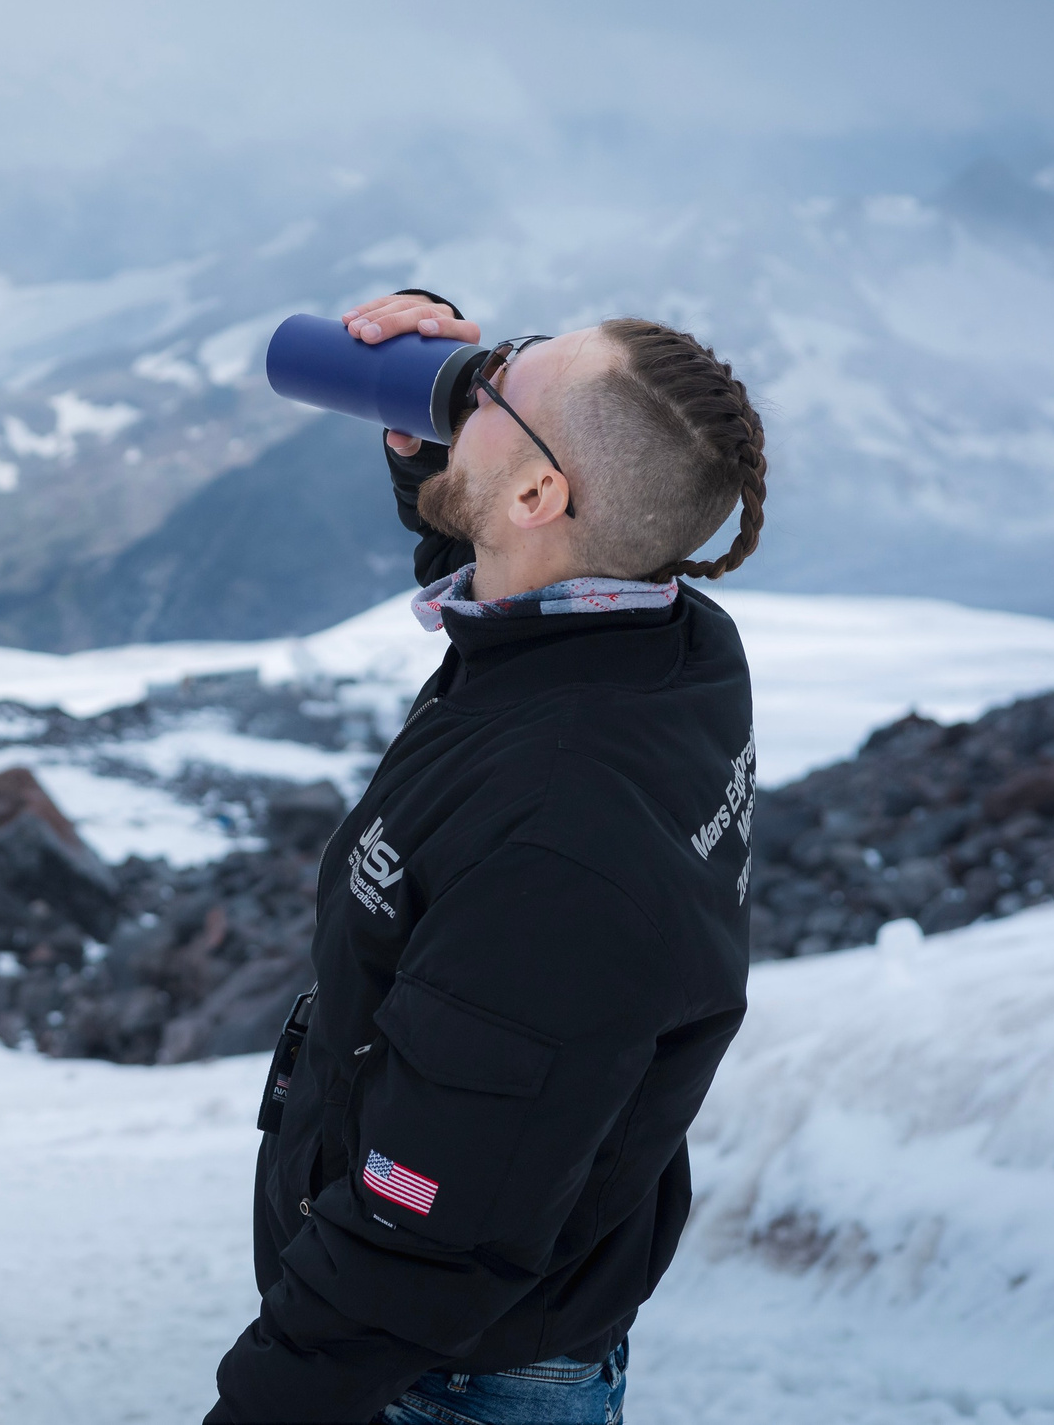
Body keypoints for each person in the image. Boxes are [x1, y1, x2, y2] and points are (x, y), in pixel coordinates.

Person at [208, 292, 767, 1424]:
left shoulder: (562, 850)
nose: (473, 373)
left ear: (537, 494)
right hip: (489, 1336)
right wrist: (436, 460)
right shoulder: (664, 642)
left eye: (499, 381)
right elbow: (528, 577)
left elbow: (427, 1232)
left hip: (441, 1382)